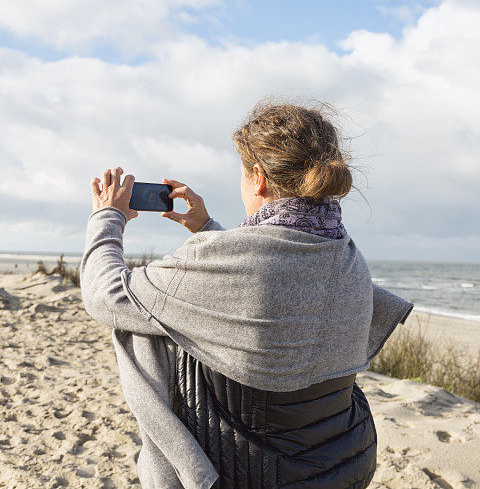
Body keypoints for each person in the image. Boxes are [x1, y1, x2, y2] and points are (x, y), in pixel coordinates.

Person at [79, 100, 414, 489]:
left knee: (145, 317)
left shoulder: (225, 262)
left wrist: (108, 216)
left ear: (258, 177)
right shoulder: (347, 256)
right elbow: (273, 279)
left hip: (246, 470)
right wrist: (208, 228)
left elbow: (105, 294)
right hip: (342, 462)